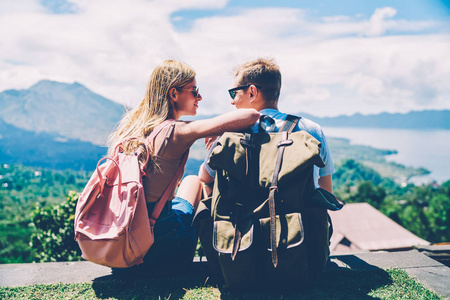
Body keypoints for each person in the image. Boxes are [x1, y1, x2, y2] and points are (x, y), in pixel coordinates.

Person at [107, 60, 259, 271]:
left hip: (123, 241)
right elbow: (251, 116)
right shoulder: (175, 132)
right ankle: (221, 247)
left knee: (190, 181)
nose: (199, 97)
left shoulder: (132, 129)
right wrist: (220, 128)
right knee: (196, 181)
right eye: (194, 91)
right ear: (174, 94)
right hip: (161, 247)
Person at [199, 57, 334, 195]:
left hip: (243, 216)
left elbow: (204, 177)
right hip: (300, 216)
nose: (233, 101)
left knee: (200, 183)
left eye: (234, 93)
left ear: (252, 92)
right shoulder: (312, 129)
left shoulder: (230, 133)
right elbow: (326, 189)